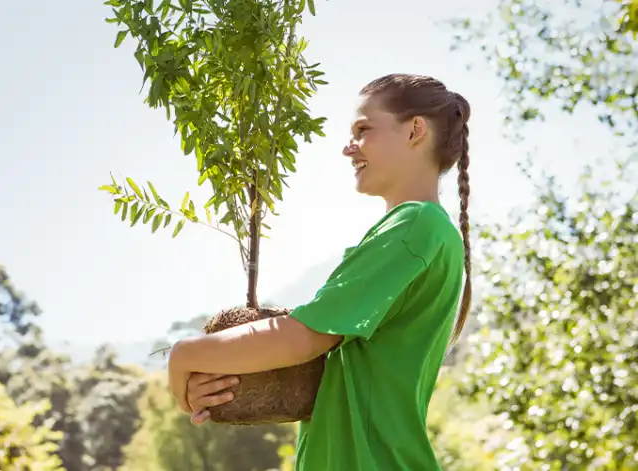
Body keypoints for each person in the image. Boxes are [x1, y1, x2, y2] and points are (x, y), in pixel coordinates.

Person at [166, 73, 473, 471]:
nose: (348, 148)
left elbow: (305, 336)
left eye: (363, 130)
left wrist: (185, 355)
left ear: (415, 130)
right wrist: (227, 378)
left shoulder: (414, 226)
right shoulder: (426, 229)